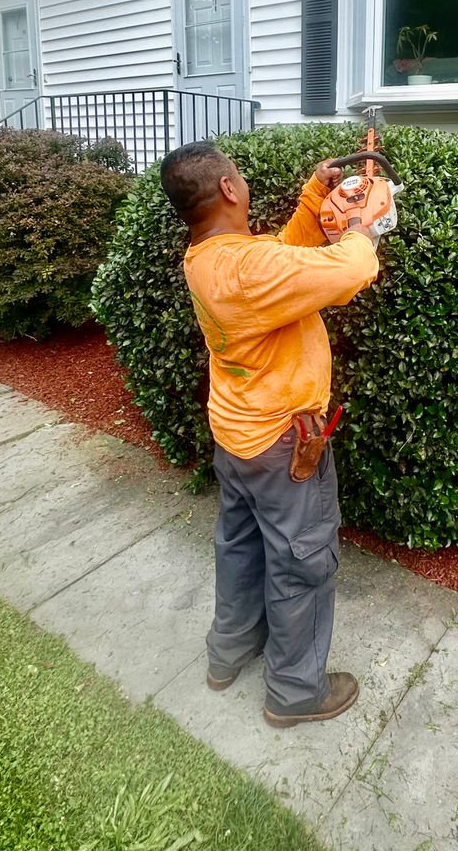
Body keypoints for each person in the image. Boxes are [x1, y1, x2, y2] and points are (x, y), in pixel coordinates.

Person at [159, 141, 379, 728]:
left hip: (235, 436)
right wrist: (360, 222)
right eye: (238, 174)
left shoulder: (209, 257)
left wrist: (314, 201)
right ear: (230, 189)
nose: (243, 180)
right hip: (283, 444)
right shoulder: (245, 269)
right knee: (300, 562)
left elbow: (280, 260)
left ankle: (227, 653)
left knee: (240, 547)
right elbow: (353, 268)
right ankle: (294, 691)